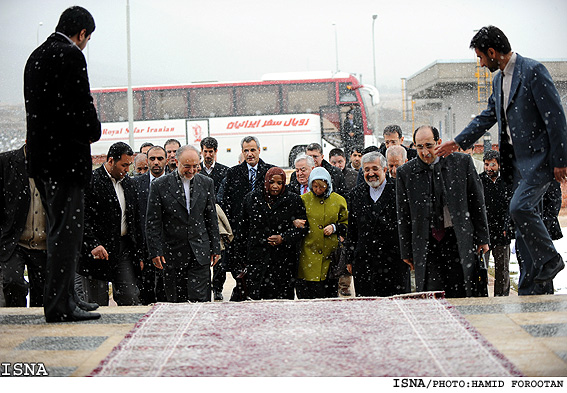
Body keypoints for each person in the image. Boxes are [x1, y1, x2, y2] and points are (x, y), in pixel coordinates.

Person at [436, 26, 567, 294]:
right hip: (515, 164)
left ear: (493, 52)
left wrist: (561, 160)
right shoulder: (498, 81)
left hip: (540, 161)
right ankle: (534, 287)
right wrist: (458, 142)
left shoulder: (533, 71)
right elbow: (488, 116)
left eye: (482, 58)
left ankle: (551, 259)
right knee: (523, 230)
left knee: (520, 209)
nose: (481, 64)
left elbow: (555, 116)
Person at [24, 6, 101, 322]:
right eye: (87, 38)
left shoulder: (35, 56)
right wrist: (93, 125)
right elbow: (81, 112)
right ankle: (60, 306)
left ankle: (68, 298)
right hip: (65, 162)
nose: (85, 44)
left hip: (43, 161)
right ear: (82, 33)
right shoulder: (70, 55)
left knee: (60, 230)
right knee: (66, 234)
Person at [397, 126, 489, 298]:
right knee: (432, 294)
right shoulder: (406, 173)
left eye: (429, 145)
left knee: (461, 290)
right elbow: (403, 215)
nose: (425, 152)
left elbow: (477, 202)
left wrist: (483, 238)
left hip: (458, 238)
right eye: (419, 147)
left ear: (439, 143)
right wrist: (406, 251)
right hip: (426, 242)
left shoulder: (461, 163)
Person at [146, 145, 221, 302]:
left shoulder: (206, 183)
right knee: (176, 303)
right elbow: (153, 222)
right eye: (187, 166)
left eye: (195, 166)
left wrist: (216, 247)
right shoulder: (160, 185)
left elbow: (211, 218)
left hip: (200, 252)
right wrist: (155, 251)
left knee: (200, 302)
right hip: (172, 254)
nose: (192, 170)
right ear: (176, 162)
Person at [78, 142, 143, 306]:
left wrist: (139, 251)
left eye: (129, 165)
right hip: (98, 250)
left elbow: (134, 219)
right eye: (124, 165)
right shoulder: (91, 181)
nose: (127, 169)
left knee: (130, 297)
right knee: (96, 302)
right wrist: (93, 243)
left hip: (124, 248)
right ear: (111, 161)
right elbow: (82, 218)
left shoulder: (129, 183)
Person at [233, 168, 308, 300]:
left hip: (283, 263)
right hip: (257, 261)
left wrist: (284, 237)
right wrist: (240, 259)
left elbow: (303, 228)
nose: (275, 186)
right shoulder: (251, 199)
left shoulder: (293, 200)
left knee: (282, 305)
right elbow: (242, 231)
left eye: (279, 183)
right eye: (272, 182)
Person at [346, 151, 410, 297]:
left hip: (394, 262)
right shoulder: (356, 194)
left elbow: (406, 225)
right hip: (365, 263)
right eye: (367, 170)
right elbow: (352, 229)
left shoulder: (398, 191)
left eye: (375, 169)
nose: (371, 173)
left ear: (385, 170)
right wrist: (349, 258)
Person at [220, 136, 274, 300]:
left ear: (259, 150)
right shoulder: (233, 173)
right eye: (246, 150)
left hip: (264, 233)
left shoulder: (269, 171)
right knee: (241, 275)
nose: (249, 154)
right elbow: (226, 202)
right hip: (240, 233)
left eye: (252, 150)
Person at [0, 145, 46, 307]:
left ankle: (38, 327)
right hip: (14, 241)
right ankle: (17, 318)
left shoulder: (52, 165)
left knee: (42, 294)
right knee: (13, 282)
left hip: (43, 243)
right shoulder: (6, 162)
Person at [295, 167, 348, 299]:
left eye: (322, 187)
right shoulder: (302, 200)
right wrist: (295, 222)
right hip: (307, 256)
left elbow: (347, 224)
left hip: (330, 259)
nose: (318, 190)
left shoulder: (339, 200)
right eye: (315, 186)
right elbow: (293, 219)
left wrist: (335, 228)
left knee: (328, 298)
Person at [133, 145, 168, 304]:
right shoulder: (136, 184)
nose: (156, 162)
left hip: (169, 246)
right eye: (152, 159)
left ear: (166, 160)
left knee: (166, 293)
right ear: (147, 160)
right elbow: (134, 218)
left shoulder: (174, 183)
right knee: (146, 294)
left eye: (160, 159)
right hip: (143, 247)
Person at [480, 150, 512, 296]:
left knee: (502, 270)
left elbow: (511, 206)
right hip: (483, 233)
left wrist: (507, 226)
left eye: (492, 164)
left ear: (499, 165)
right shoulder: (479, 180)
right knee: (481, 269)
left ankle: (502, 299)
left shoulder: (507, 181)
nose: (489, 168)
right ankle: (482, 298)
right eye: (486, 164)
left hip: (502, 232)